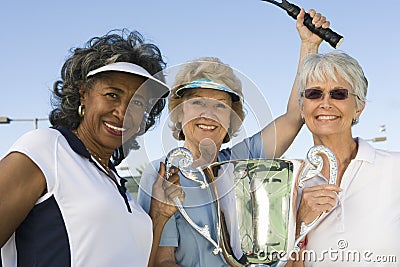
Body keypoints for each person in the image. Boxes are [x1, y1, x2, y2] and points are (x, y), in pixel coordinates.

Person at [137, 9, 332, 267]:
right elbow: (162, 261)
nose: (209, 114)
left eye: (221, 106)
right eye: (197, 103)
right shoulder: (162, 174)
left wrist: (309, 45)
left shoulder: (243, 160)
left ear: (231, 120)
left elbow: (295, 115)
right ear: (179, 114)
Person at [0, 29, 184, 267]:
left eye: (137, 102)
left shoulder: (115, 182)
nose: (123, 112)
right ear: (83, 94)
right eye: (112, 95)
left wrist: (158, 216)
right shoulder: (47, 147)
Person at [292, 51, 400, 266]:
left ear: (358, 107)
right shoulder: (289, 184)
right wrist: (300, 225)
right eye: (314, 93)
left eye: (339, 94)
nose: (325, 103)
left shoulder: (395, 168)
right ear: (302, 108)